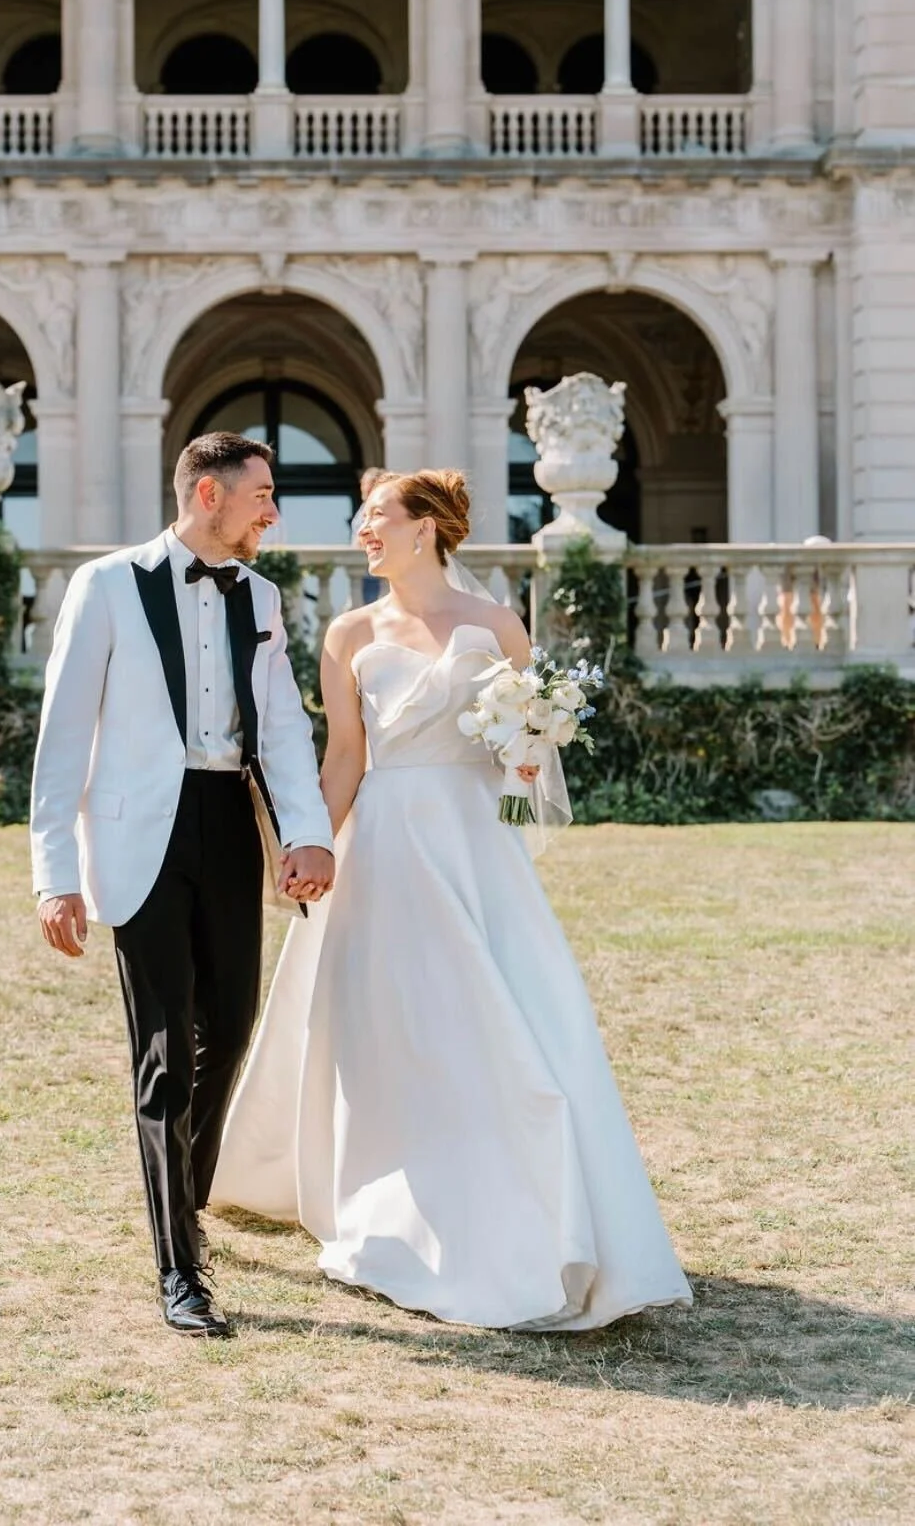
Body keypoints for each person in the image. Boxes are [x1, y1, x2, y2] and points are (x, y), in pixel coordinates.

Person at [212, 469, 692, 1330]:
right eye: (362, 516)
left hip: (475, 848)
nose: (363, 529)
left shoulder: (497, 623)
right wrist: (306, 844)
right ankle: (396, 1193)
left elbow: (527, 755)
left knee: (504, 1023)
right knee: (393, 1026)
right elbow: (346, 755)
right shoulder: (349, 633)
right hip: (386, 848)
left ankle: (527, 1207)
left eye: (377, 516)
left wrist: (526, 757)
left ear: (427, 527)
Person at [31, 432, 334, 1339]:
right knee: (165, 1046)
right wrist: (54, 873)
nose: (273, 510)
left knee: (230, 1027)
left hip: (226, 825)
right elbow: (62, 733)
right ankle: (179, 1267)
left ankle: (184, 1192)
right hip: (137, 836)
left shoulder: (263, 597)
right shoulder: (108, 584)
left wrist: (306, 834)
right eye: (262, 495)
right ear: (209, 493)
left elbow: (280, 726)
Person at [351, 466, 384, 606]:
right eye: (363, 483)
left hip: (372, 573)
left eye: (367, 483)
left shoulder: (377, 509)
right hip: (361, 571)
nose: (363, 487)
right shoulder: (364, 508)